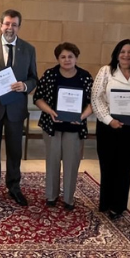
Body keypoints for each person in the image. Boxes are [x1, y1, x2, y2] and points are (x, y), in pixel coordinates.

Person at [0, 9, 38, 207]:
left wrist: (25, 86)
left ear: (19, 27)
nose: (10, 28)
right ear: (0, 25)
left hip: (15, 108)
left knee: (14, 150)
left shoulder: (28, 49)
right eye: (7, 24)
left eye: (14, 24)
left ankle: (14, 187)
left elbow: (33, 78)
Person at [33, 42, 93, 211]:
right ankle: (51, 196)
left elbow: (93, 102)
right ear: (58, 59)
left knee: (71, 162)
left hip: (75, 127)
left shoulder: (85, 76)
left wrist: (81, 116)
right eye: (63, 57)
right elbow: (38, 98)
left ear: (76, 57)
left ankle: (68, 198)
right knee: (52, 161)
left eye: (70, 56)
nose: (67, 60)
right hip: (52, 125)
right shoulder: (50, 74)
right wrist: (50, 111)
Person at [91, 39, 130, 220]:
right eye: (122, 51)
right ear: (116, 54)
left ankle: (119, 205)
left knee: (124, 167)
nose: (126, 55)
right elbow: (96, 98)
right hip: (108, 126)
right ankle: (105, 201)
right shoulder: (106, 71)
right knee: (107, 165)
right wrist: (109, 120)